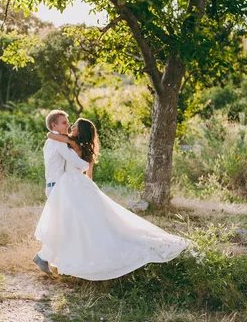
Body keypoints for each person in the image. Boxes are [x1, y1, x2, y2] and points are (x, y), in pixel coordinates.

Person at [34, 118, 189, 281]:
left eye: (73, 126)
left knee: (82, 222)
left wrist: (89, 187)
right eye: (68, 124)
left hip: (75, 185)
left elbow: (86, 169)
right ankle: (47, 256)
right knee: (74, 222)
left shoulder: (76, 145)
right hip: (71, 185)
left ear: (80, 131)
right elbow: (52, 137)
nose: (70, 126)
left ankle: (48, 256)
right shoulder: (73, 143)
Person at [33, 110, 90, 275]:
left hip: (55, 186)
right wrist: (87, 164)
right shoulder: (58, 143)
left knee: (62, 224)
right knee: (63, 225)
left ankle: (44, 257)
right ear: (54, 125)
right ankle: (43, 257)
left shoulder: (53, 140)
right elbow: (76, 163)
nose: (68, 125)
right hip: (57, 187)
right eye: (64, 123)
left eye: (68, 122)